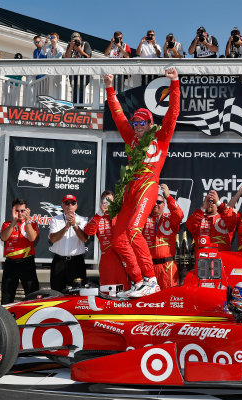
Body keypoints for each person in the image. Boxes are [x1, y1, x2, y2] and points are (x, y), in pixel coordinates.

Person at [103, 67, 179, 298]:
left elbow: (173, 113)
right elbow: (118, 115)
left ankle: (151, 280)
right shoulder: (131, 138)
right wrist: (109, 88)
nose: (136, 127)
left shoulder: (161, 138)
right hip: (130, 190)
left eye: (141, 124)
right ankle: (137, 280)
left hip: (148, 185)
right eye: (134, 124)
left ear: (149, 124)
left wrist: (174, 83)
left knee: (134, 230)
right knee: (118, 238)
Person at [84, 191, 130, 294]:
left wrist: (113, 213)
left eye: (110, 200)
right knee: (107, 292)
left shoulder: (120, 216)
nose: (107, 203)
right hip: (106, 260)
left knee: (125, 292)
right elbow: (88, 232)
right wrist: (100, 213)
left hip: (122, 259)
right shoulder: (98, 217)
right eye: (105, 200)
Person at [0, 198, 39, 304]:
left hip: (27, 262)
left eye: (23, 210)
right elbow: (3, 237)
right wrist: (13, 222)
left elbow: (32, 238)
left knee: (32, 295)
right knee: (7, 295)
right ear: (13, 210)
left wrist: (27, 221)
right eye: (17, 210)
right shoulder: (7, 224)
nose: (20, 213)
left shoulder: (32, 223)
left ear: (27, 210)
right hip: (10, 263)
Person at [144, 184, 184, 290]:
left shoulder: (170, 218)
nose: (156, 204)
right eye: (153, 202)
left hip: (168, 267)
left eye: (159, 202)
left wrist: (168, 196)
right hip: (149, 268)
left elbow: (179, 215)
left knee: (169, 298)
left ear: (164, 204)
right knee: (149, 300)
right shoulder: (142, 220)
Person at [48, 194, 88, 292]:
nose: (70, 205)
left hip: (76, 262)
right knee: (56, 293)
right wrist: (66, 227)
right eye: (67, 203)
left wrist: (74, 224)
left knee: (78, 294)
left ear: (76, 206)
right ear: (62, 206)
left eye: (72, 203)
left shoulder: (83, 220)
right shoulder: (55, 220)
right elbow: (52, 239)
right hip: (59, 262)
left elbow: (84, 239)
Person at [187, 189, 238, 255]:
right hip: (202, 261)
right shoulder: (199, 216)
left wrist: (219, 204)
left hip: (221, 259)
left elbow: (232, 220)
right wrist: (203, 208)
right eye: (208, 201)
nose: (210, 203)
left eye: (213, 201)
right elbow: (190, 225)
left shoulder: (224, 218)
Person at [64, 32, 92, 105]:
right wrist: (71, 47)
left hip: (84, 72)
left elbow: (89, 57)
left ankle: (80, 106)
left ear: (80, 39)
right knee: (74, 88)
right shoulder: (70, 46)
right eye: (74, 40)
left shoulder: (85, 44)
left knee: (81, 88)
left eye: (77, 39)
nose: (76, 41)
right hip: (73, 72)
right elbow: (66, 57)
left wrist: (79, 50)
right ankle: (75, 105)